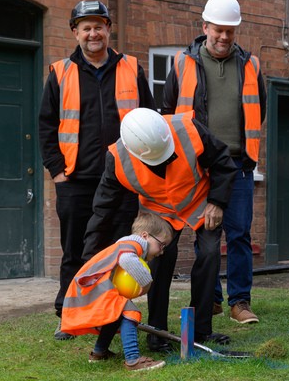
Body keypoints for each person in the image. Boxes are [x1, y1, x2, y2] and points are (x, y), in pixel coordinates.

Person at [38, 0, 156, 340]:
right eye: (86, 27)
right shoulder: (60, 72)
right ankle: (69, 315)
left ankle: (112, 315)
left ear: (108, 29)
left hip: (122, 178)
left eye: (99, 26)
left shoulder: (131, 68)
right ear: (75, 32)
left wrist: (143, 170)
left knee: (118, 250)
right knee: (74, 250)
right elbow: (46, 126)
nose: (93, 33)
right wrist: (58, 172)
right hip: (75, 180)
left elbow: (149, 119)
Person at [83, 107, 238, 350]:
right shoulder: (117, 158)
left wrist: (217, 202)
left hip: (199, 201)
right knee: (158, 259)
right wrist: (89, 258)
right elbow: (103, 209)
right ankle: (157, 333)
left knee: (209, 253)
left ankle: (200, 331)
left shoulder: (189, 130)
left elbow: (223, 162)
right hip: (159, 210)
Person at [162, 0, 267, 324]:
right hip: (197, 164)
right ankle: (211, 299)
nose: (223, 37)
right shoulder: (182, 63)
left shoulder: (250, 65)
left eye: (229, 31)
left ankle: (239, 302)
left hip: (237, 165)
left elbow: (259, 110)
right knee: (204, 234)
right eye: (218, 29)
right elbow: (168, 112)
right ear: (205, 26)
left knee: (239, 235)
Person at [61, 212, 173, 371]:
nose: (161, 252)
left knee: (116, 314)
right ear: (145, 236)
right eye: (161, 245)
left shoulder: (124, 244)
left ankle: (99, 352)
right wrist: (147, 282)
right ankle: (133, 360)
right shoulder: (131, 246)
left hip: (91, 288)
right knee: (129, 312)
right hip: (91, 289)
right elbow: (127, 260)